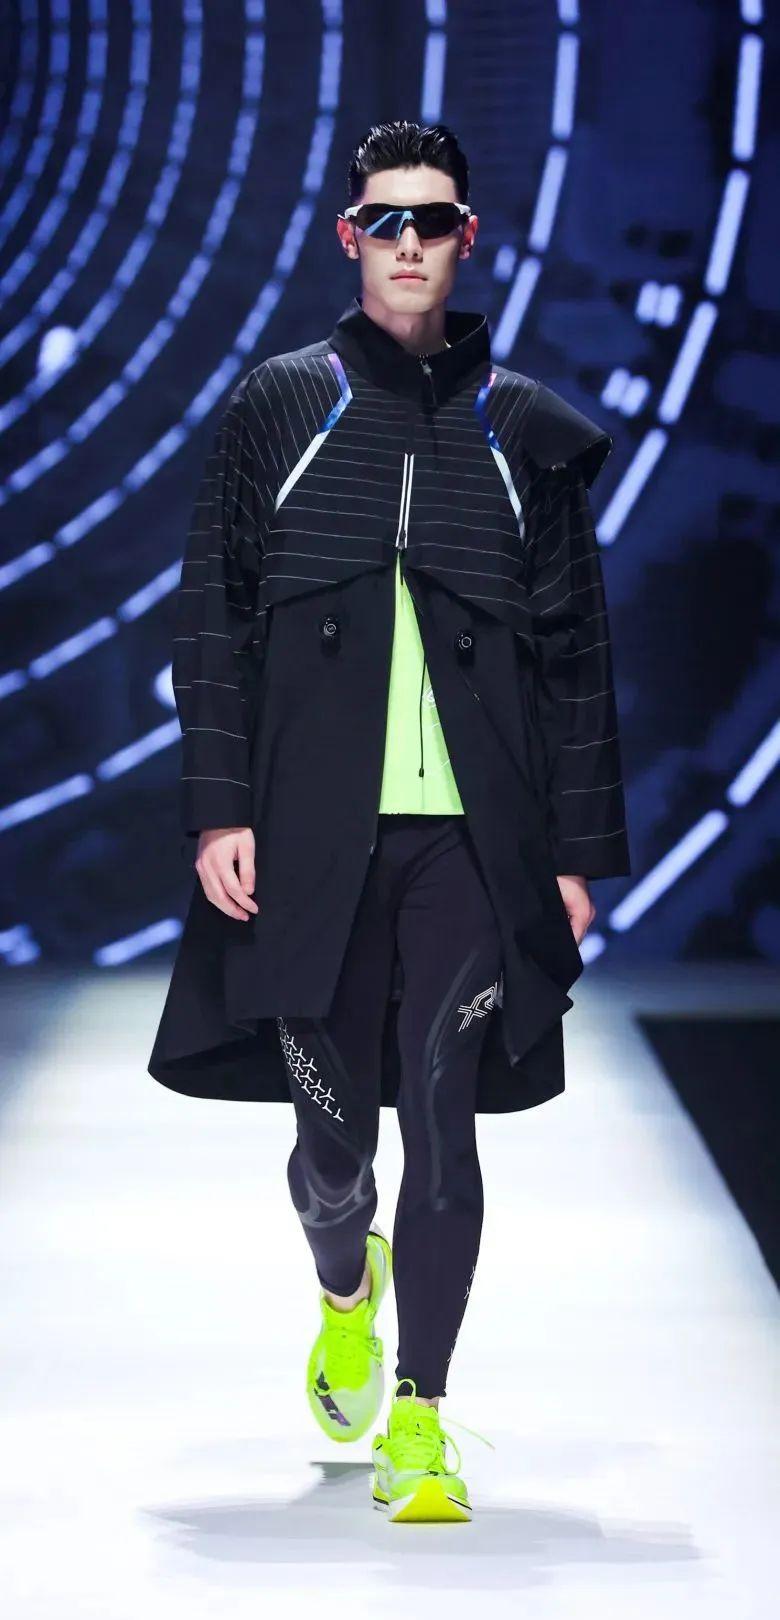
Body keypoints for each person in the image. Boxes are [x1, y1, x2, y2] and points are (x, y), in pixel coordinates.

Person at [147, 119, 631, 1525]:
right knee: (334, 1148)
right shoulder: (282, 407)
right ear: (349, 237)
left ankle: (420, 1418)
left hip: (472, 841)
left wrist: (575, 853)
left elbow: (578, 655)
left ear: (468, 237)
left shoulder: (523, 429)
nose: (409, 243)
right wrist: (219, 811)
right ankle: (343, 1287)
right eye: (385, 221)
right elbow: (212, 616)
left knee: (442, 1115)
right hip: (310, 835)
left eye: (433, 220)